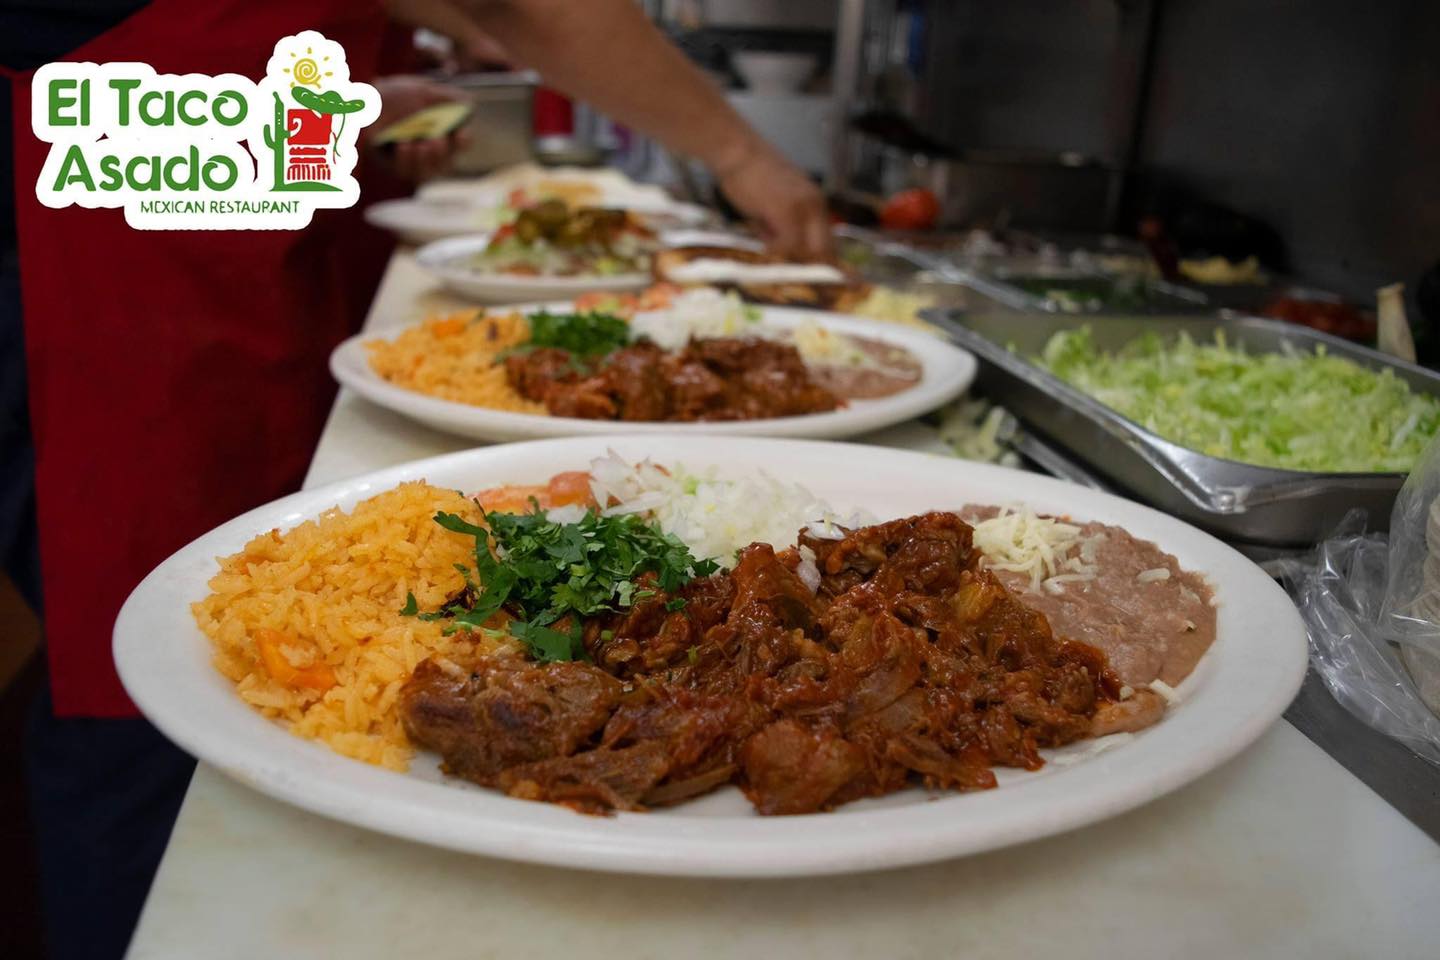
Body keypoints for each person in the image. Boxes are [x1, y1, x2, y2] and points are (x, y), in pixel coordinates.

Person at [1, 3, 829, 958]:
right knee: (141, 684)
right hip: (126, 267)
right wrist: (741, 153)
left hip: (198, 218)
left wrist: (339, 114)